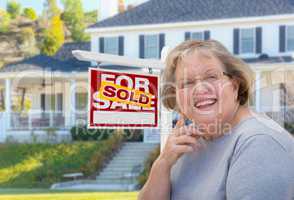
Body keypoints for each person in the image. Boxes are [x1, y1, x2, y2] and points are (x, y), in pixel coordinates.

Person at [138, 40, 294, 200]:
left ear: (235, 85)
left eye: (211, 77)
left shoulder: (259, 143)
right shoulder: (187, 144)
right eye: (187, 83)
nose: (200, 88)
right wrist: (163, 163)